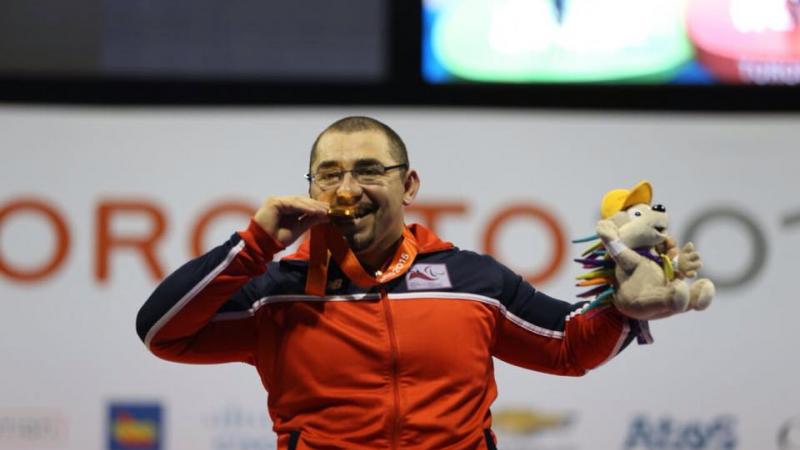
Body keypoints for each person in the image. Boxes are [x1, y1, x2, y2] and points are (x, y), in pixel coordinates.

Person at [136, 116, 646, 450]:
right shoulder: (277, 291)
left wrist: (626, 301)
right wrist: (254, 245)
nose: (348, 189)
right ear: (310, 188)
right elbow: (162, 333)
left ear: (409, 185)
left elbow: (572, 348)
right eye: (329, 175)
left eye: (368, 171)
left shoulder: (472, 281)